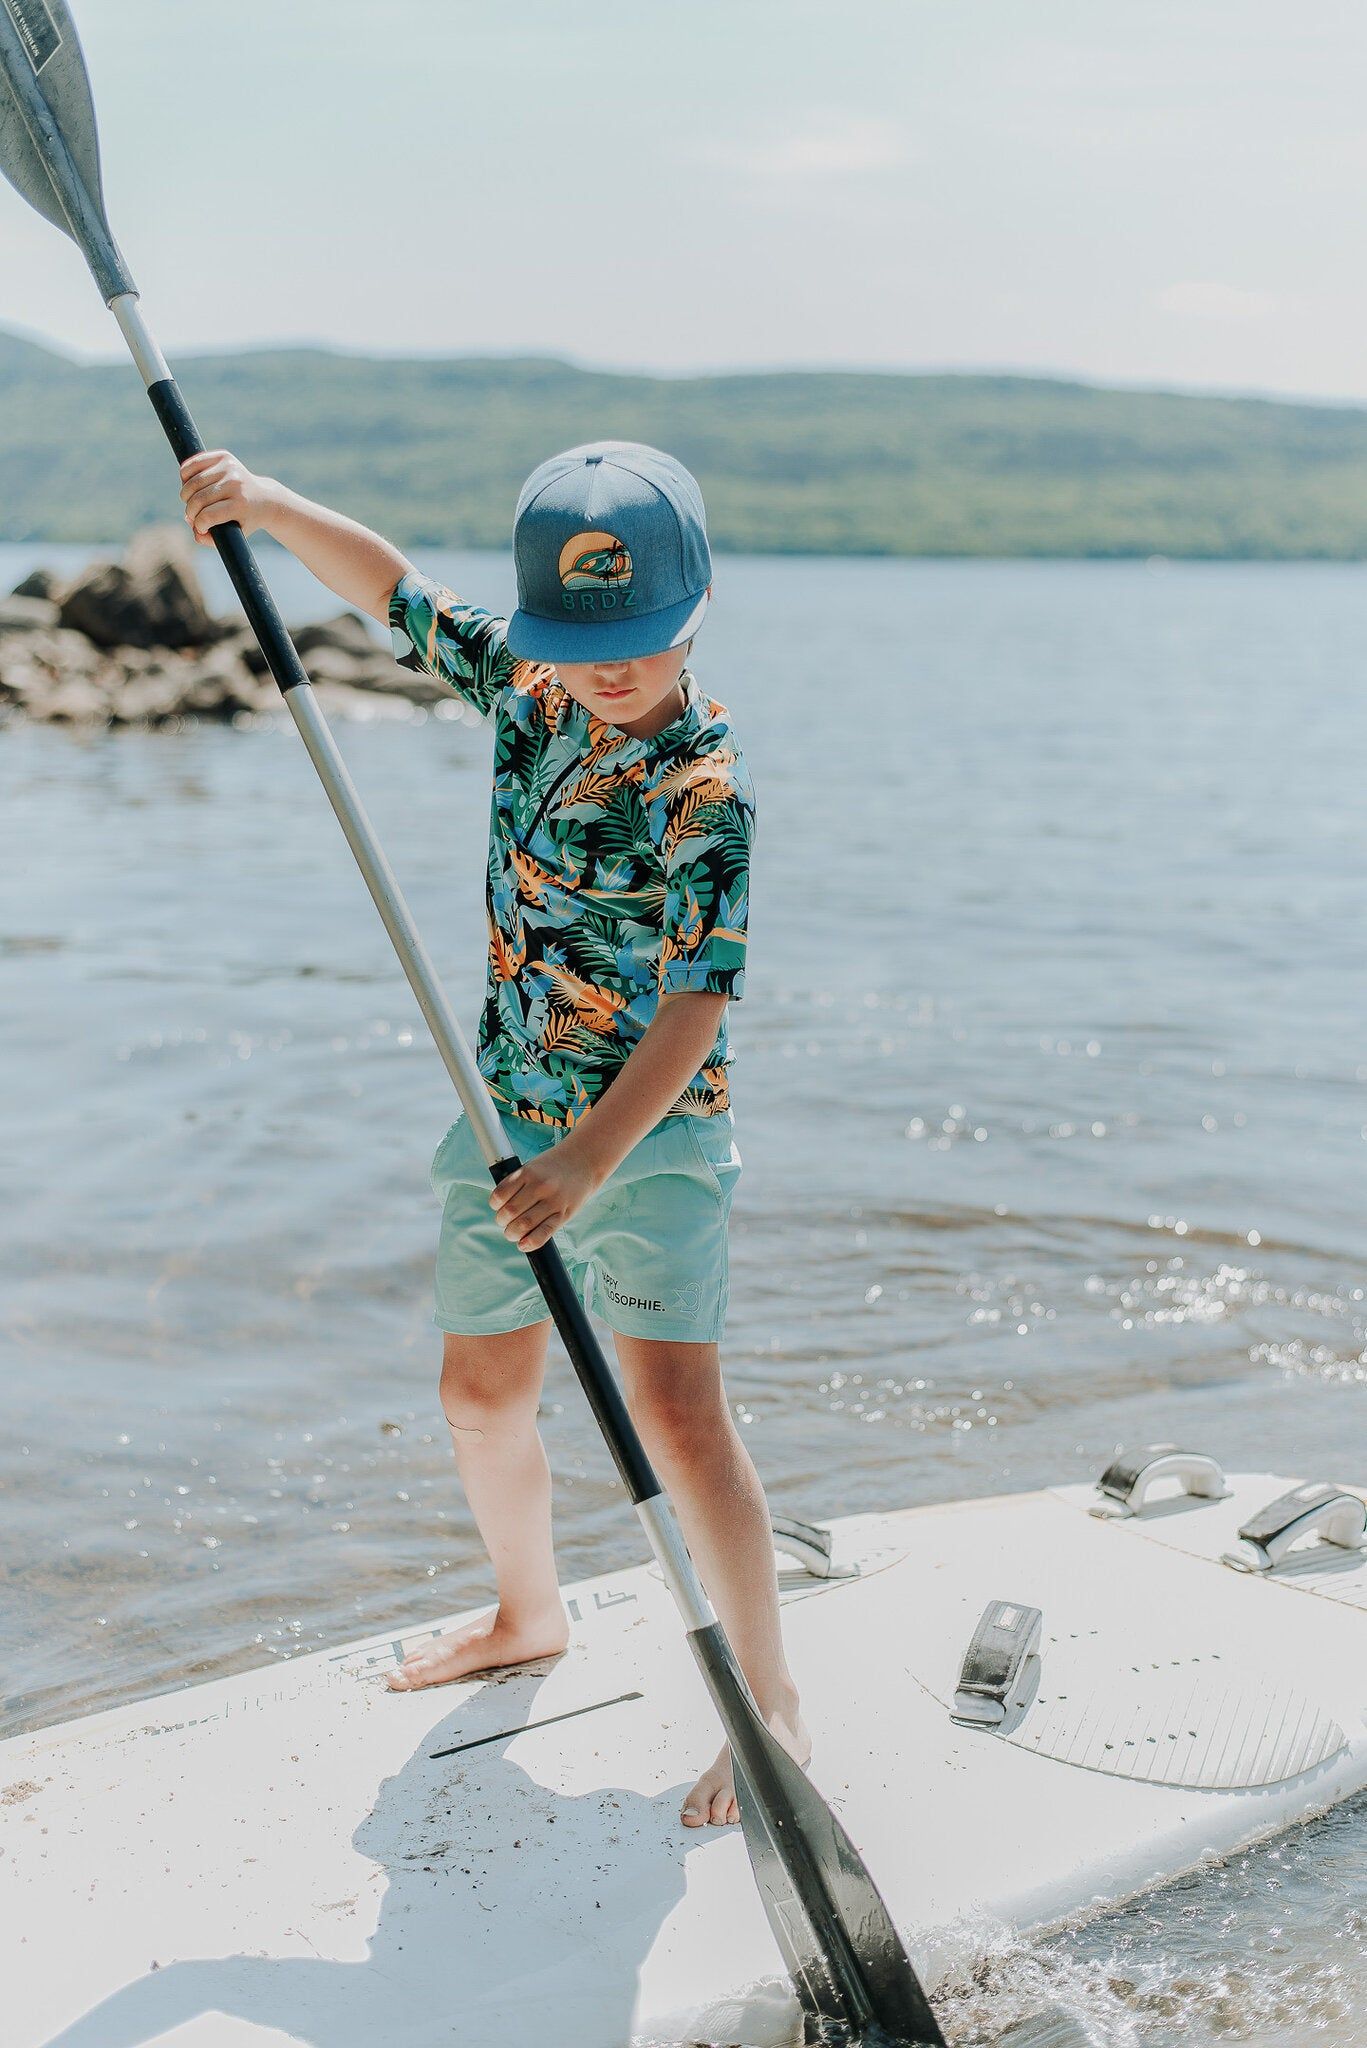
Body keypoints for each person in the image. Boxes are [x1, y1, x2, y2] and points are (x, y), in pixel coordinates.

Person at [178, 439, 809, 1828]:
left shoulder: (707, 786)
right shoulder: (527, 692)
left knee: (678, 1420)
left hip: (647, 1143)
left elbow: (699, 1001)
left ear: (694, 607)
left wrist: (594, 1160)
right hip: (504, 1121)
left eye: (639, 641)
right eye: (588, 643)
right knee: (478, 1397)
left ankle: (773, 1703)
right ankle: (530, 1611)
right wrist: (272, 506)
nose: (612, 670)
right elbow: (394, 592)